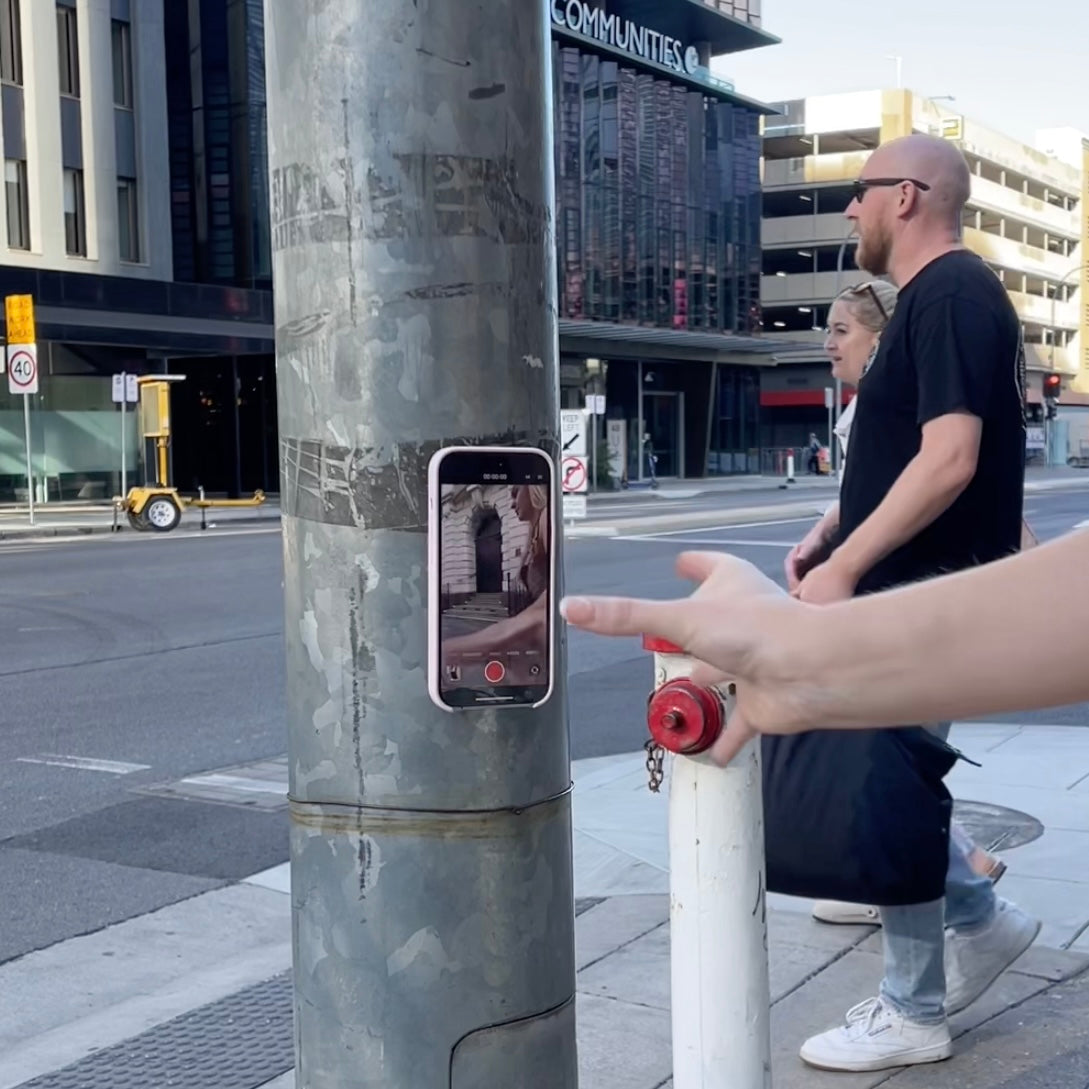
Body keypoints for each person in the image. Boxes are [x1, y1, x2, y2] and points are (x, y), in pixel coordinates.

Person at [810, 281, 1006, 933]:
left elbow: (933, 480)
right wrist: (826, 536)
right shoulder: (876, 408)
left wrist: (838, 561)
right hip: (900, 605)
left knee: (888, 772)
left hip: (915, 608)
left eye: (841, 329)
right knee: (888, 766)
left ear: (880, 336)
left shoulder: (904, 402)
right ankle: (909, 881)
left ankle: (969, 892)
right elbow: (878, 490)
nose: (828, 342)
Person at [441, 484, 549, 684]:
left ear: (532, 490)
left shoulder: (546, 520)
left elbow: (544, 608)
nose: (513, 501)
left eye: (516, 493)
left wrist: (459, 648)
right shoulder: (532, 532)